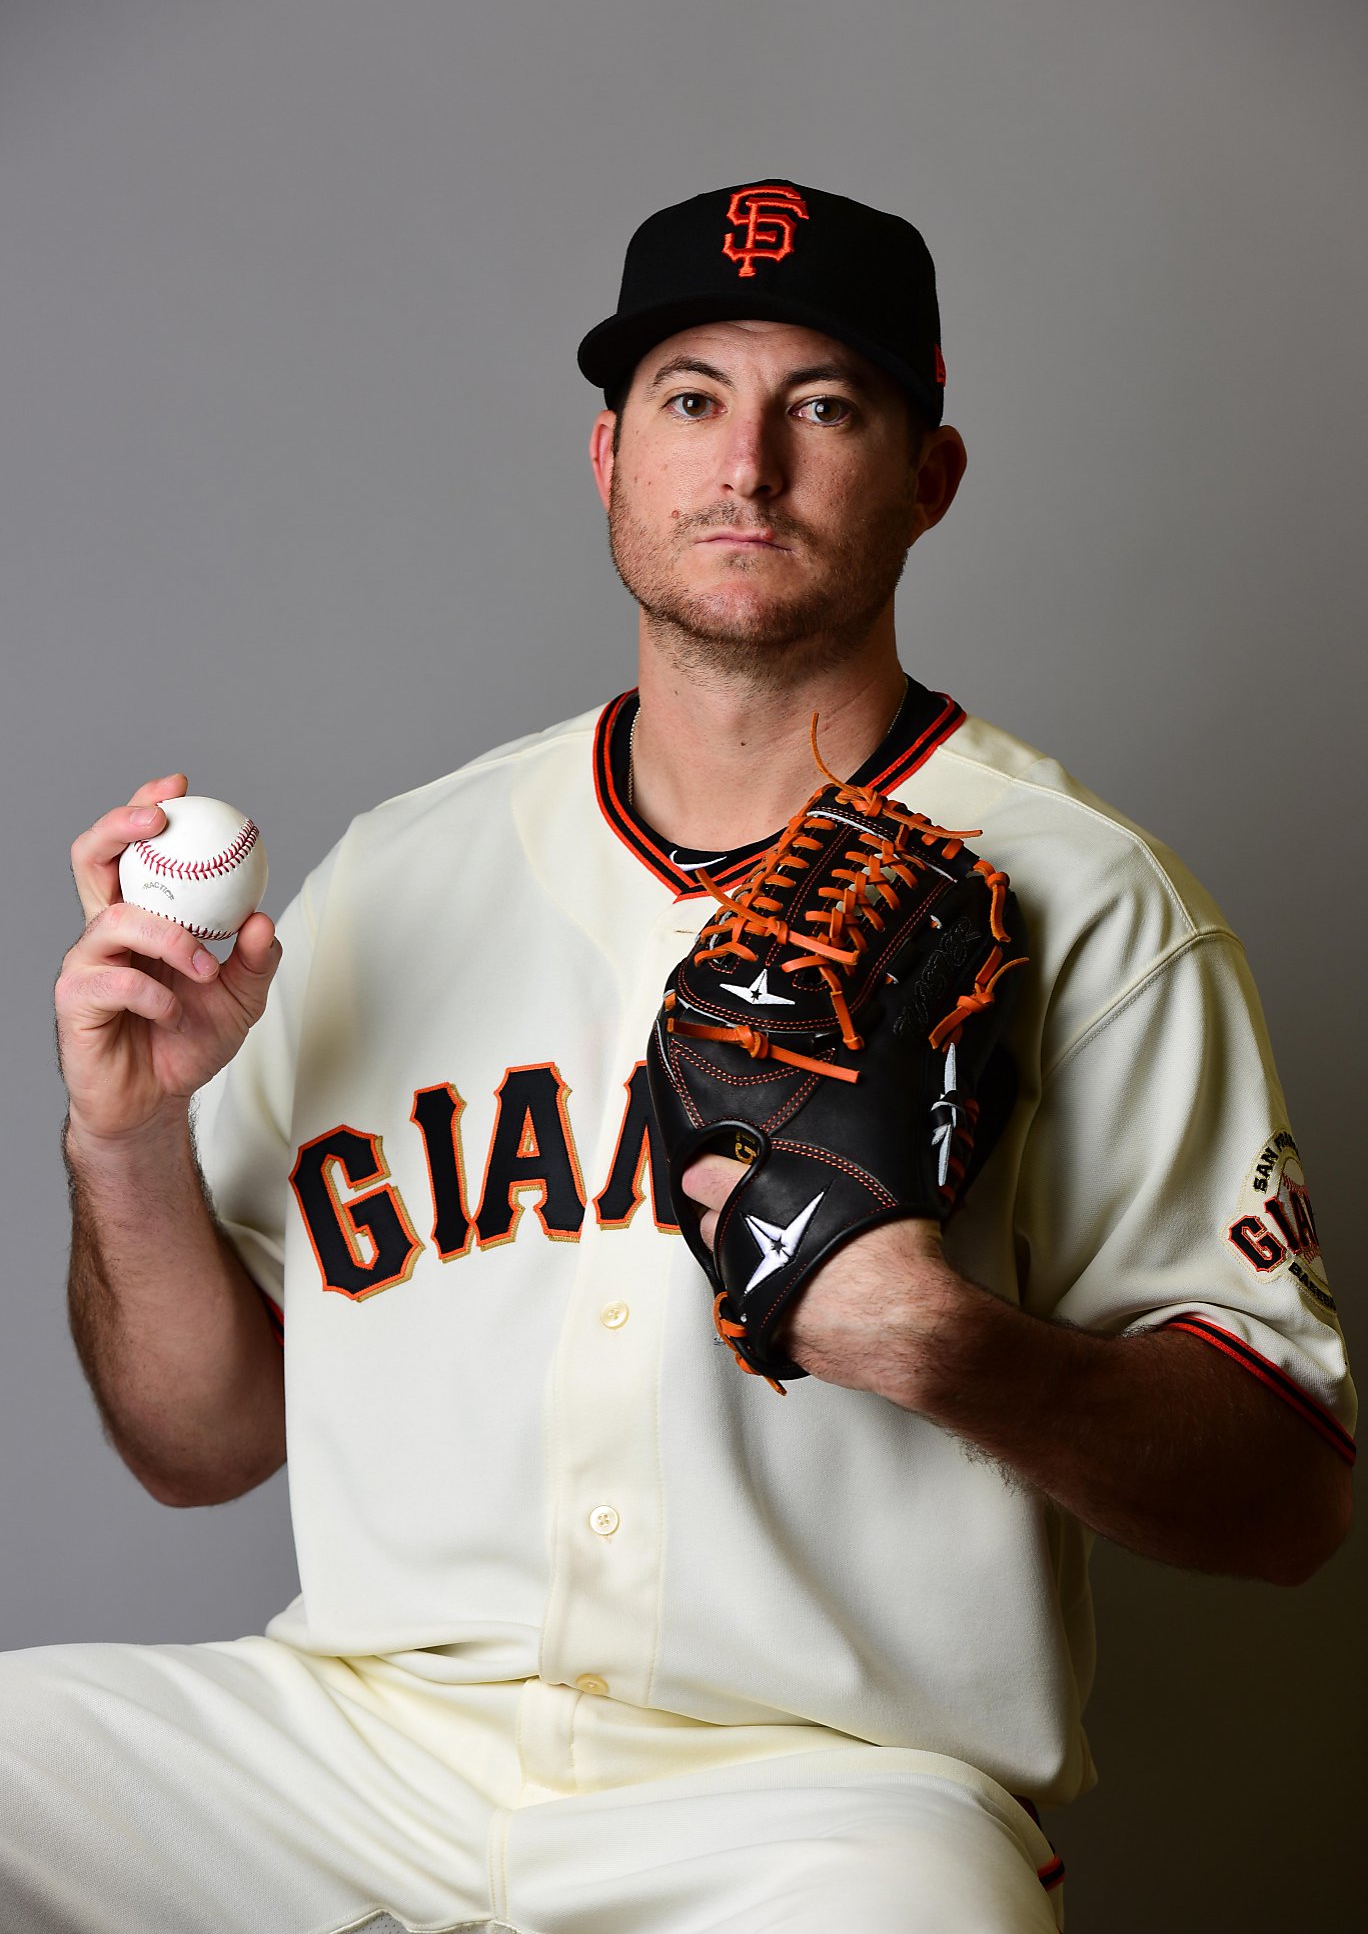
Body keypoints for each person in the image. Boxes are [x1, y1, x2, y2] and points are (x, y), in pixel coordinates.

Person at [10, 181, 1353, 1933]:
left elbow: (1288, 1498)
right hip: (362, 1746)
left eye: (825, 407)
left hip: (822, 1807)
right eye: (693, 399)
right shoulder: (398, 875)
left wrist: (948, 1347)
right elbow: (198, 1445)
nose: (747, 469)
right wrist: (128, 1145)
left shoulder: (1090, 903)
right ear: (609, 460)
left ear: (929, 478)